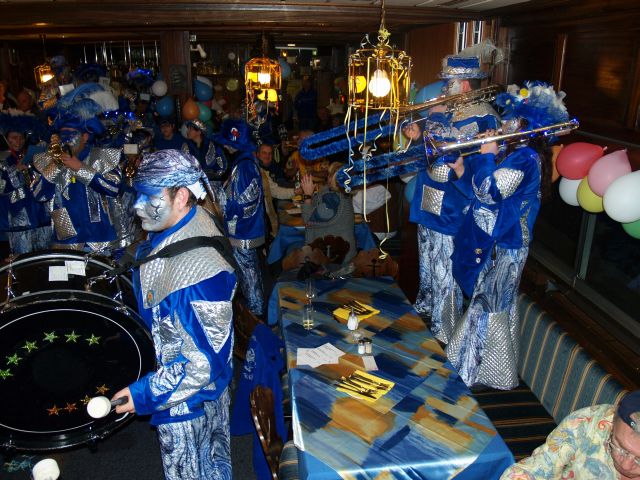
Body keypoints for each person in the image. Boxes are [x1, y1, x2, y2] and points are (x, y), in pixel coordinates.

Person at [112, 149, 236, 480]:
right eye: (138, 195)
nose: (137, 206)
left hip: (188, 403)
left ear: (181, 196)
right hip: (191, 391)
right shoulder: (189, 219)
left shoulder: (198, 274)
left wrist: (142, 394)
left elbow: (203, 364)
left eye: (149, 197)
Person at [445, 82, 569, 390]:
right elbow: (483, 195)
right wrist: (461, 169)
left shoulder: (525, 157)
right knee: (491, 303)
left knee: (487, 305)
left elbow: (489, 191)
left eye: (512, 119)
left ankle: (471, 373)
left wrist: (485, 155)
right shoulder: (517, 154)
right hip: (502, 241)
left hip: (506, 244)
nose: (504, 124)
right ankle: (487, 372)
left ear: (527, 126)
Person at [405, 53, 500, 344]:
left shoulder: (483, 116)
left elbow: (472, 160)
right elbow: (432, 149)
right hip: (430, 201)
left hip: (453, 207)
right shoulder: (448, 110)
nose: (445, 88)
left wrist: (435, 119)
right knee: (428, 266)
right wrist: (418, 134)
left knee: (445, 270)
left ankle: (444, 331)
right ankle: (426, 317)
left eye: (450, 83)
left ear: (466, 85)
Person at [31, 82, 122, 252]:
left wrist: (79, 167)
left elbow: (113, 188)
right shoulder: (49, 159)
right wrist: (56, 164)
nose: (66, 139)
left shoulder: (101, 156)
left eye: (71, 134)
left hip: (98, 239)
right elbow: (39, 195)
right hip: (66, 241)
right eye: (63, 135)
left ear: (85, 137)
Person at [501, 389, 640, 480]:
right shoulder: (587, 423)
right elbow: (538, 467)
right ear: (613, 421)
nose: (626, 465)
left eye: (638, 460)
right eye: (620, 447)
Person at [214, 118, 265, 316]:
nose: (225, 146)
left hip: (243, 232)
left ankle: (256, 318)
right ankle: (254, 314)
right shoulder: (243, 163)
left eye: (227, 143)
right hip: (243, 230)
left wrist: (224, 206)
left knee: (250, 277)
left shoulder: (244, 166)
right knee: (248, 275)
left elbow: (246, 202)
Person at [0, 114, 51, 255]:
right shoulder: (2, 159)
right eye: (14, 137)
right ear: (6, 138)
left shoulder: (32, 155)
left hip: (39, 213)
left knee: (44, 255)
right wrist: (14, 171)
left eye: (21, 137)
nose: (18, 141)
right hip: (17, 217)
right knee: (22, 258)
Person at [301, 161, 356, 265]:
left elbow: (308, 219)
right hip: (335, 253)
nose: (327, 177)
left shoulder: (334, 200)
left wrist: (307, 195)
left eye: (330, 174)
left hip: (336, 260)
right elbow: (314, 211)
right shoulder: (338, 194)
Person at [256, 143, 295, 238]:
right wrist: (296, 191)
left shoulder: (274, 167)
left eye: (270, 153)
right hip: (261, 216)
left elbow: (278, 187)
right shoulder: (256, 170)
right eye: (264, 153)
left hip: (271, 210)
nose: (267, 156)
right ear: (257, 154)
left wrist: (296, 191)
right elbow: (276, 191)